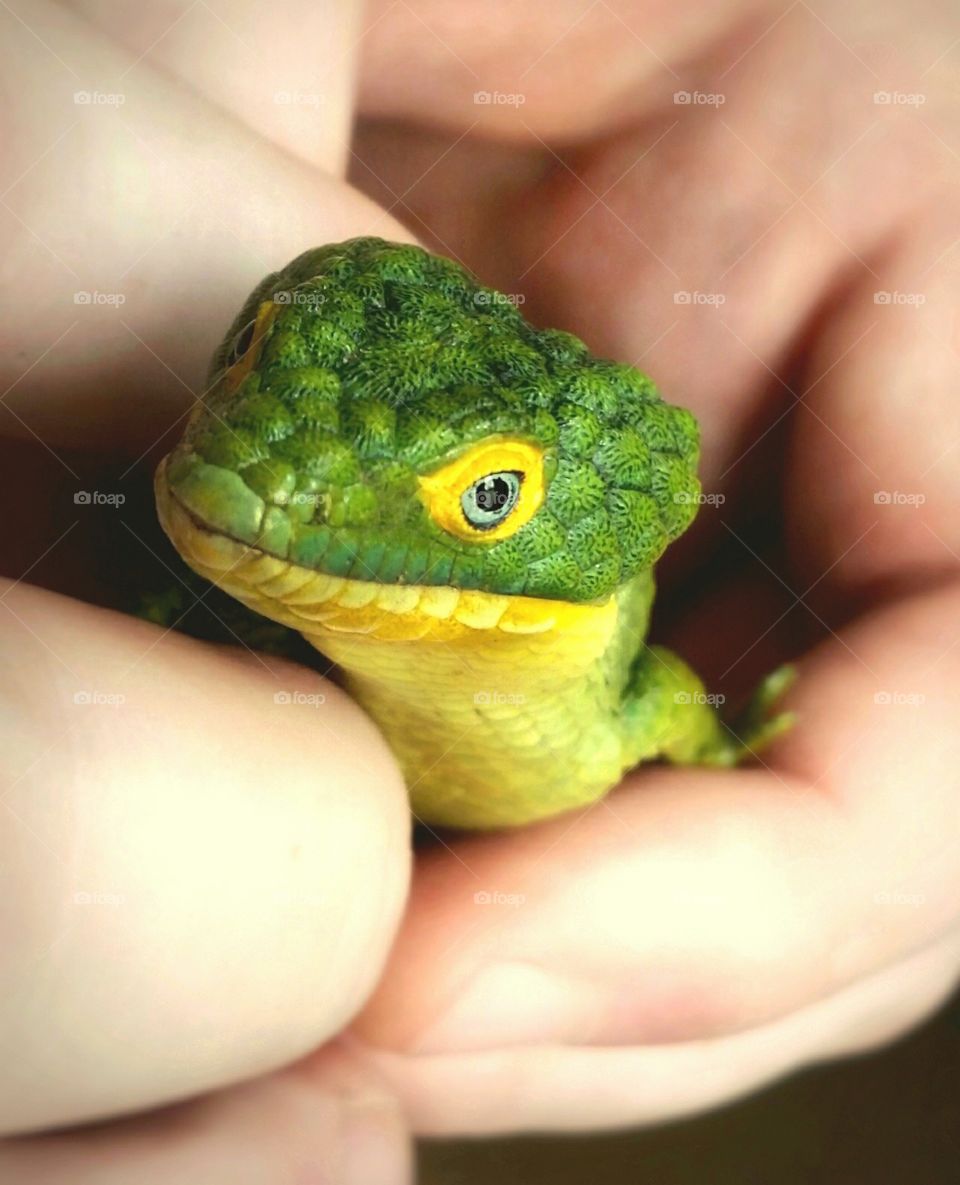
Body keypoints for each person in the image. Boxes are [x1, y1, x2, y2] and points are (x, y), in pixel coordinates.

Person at [2, 2, 959, 1181]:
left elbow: (667, 699)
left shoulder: (625, 697)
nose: (256, 484)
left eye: (488, 498)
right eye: (253, 353)